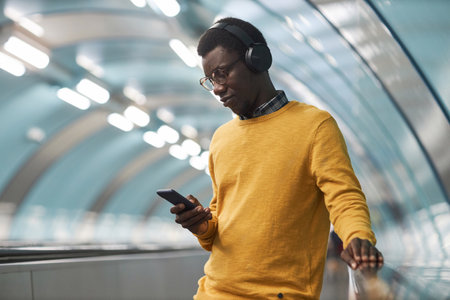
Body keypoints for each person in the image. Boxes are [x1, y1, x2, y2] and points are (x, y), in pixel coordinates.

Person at [170, 17, 383, 299]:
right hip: (212, 291)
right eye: (210, 80)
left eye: (221, 73)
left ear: (256, 59)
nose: (217, 88)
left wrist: (358, 237)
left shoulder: (314, 126)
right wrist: (200, 225)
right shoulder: (222, 138)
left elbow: (344, 196)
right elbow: (220, 223)